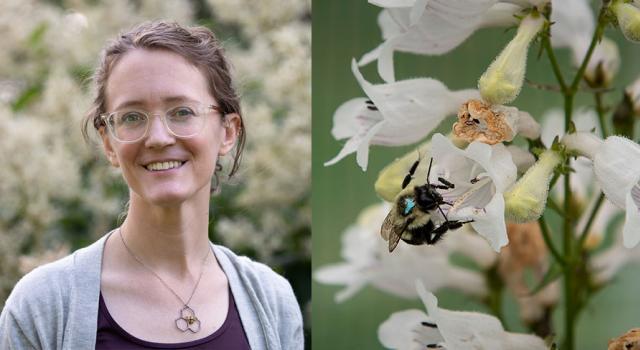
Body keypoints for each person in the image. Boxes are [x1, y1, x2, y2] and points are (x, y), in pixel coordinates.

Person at [0, 21, 303, 349]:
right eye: (131, 117)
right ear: (108, 143)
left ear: (228, 132)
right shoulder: (43, 307)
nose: (158, 138)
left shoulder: (273, 302)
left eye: (182, 112)